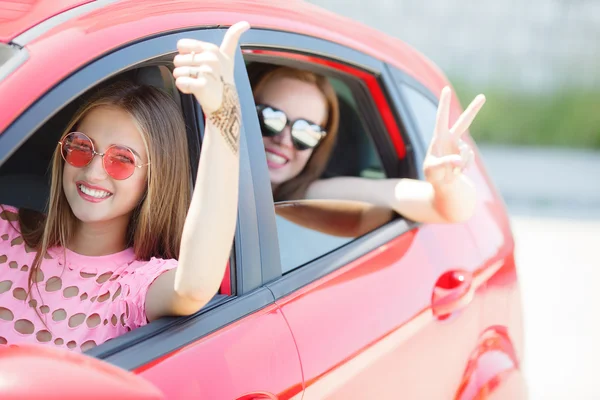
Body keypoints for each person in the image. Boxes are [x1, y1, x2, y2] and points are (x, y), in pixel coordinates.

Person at [0, 22, 250, 352]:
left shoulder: (131, 287)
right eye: (81, 146)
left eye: (121, 159)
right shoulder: (5, 227)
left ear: (155, 178)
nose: (93, 171)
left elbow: (194, 286)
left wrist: (223, 116)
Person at [251, 65, 486, 224]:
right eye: (271, 118)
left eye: (306, 132)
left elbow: (442, 208)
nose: (283, 140)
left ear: (319, 143)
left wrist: (446, 186)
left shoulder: (304, 195)